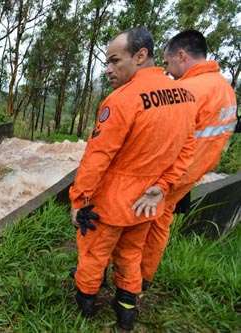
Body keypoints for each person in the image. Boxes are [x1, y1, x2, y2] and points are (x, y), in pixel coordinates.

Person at [69, 27, 197, 330]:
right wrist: (162, 187)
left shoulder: (122, 100)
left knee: (93, 253)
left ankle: (84, 311)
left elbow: (97, 158)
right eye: (106, 63)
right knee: (130, 254)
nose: (109, 70)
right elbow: (188, 148)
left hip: (110, 203)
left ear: (140, 56)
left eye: (115, 61)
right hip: (146, 203)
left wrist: (79, 199)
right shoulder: (185, 97)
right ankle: (126, 312)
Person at [133, 30, 238, 289]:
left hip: (173, 170)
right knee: (161, 219)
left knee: (141, 219)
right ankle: (144, 276)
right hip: (196, 170)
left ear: (181, 55)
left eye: (168, 64)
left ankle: (129, 280)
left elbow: (162, 135)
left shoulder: (186, 90)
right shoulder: (224, 88)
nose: (168, 71)